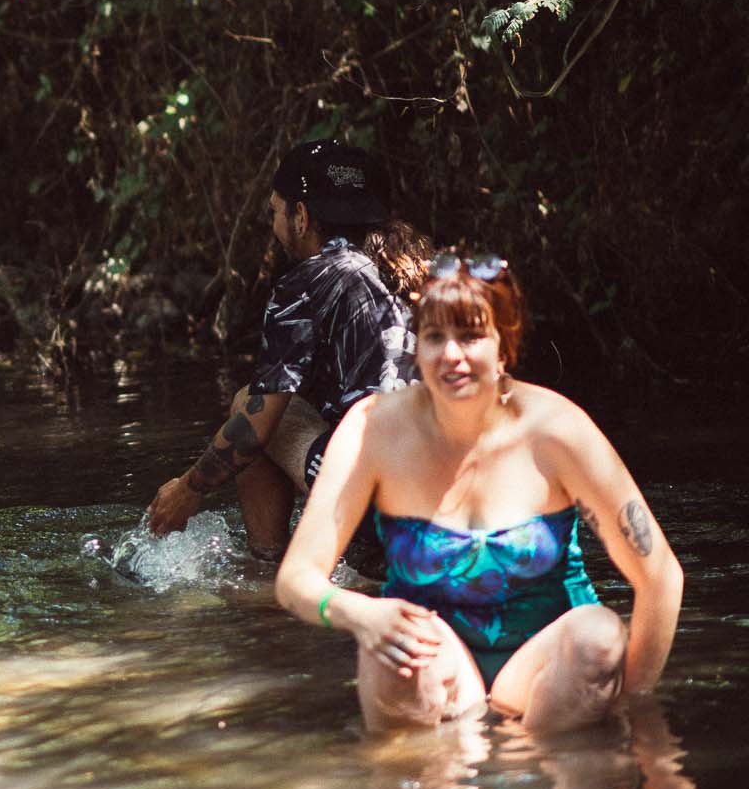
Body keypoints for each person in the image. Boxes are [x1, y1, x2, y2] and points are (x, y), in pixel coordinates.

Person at [275, 254, 684, 732]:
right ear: (417, 346)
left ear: (503, 346)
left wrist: (640, 721)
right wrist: (359, 612)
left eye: (470, 336)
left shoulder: (557, 429)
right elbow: (297, 579)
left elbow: (659, 576)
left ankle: (555, 775)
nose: (451, 355)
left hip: (550, 673)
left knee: (599, 634)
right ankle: (415, 788)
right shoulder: (372, 428)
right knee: (390, 654)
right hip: (429, 665)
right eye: (434, 337)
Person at [148, 139, 427, 563]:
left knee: (252, 405)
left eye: (276, 211)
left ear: (301, 217)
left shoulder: (311, 280)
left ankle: (272, 571)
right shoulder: (414, 263)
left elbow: (258, 424)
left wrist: (187, 490)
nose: (275, 225)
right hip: (445, 487)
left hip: (383, 507)